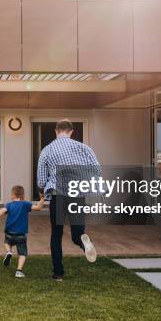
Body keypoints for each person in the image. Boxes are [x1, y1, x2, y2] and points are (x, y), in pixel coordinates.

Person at [37, 119, 99, 281]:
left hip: (58, 196)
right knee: (77, 232)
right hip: (77, 194)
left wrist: (41, 190)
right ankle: (84, 241)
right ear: (71, 132)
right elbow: (96, 169)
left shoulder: (48, 149)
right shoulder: (83, 148)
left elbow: (41, 177)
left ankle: (58, 273)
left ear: (56, 131)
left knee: (56, 235)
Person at [0, 185, 45, 278]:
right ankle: (19, 271)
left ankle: (8, 252)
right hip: (21, 234)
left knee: (6, 243)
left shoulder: (9, 205)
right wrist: (42, 198)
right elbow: (38, 208)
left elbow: (0, 212)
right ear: (23, 196)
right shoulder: (26, 204)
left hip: (9, 233)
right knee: (22, 254)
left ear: (12, 195)